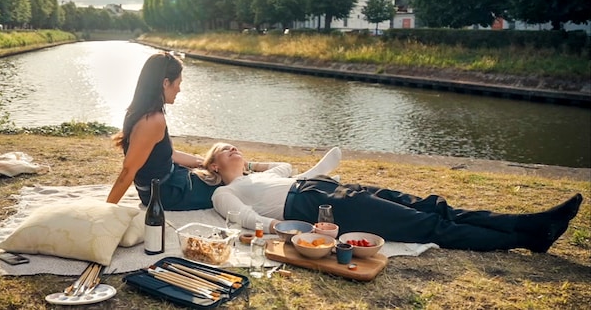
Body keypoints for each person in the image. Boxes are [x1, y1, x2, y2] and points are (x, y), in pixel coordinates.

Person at [196, 142, 583, 253]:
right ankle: (524, 237)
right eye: (223, 151)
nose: (233, 150)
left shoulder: (265, 174)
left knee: (433, 205)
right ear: (212, 166)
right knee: (427, 225)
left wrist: (254, 164)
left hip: (326, 187)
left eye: (235, 147)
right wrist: (287, 230)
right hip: (314, 206)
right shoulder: (225, 193)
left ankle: (527, 224)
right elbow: (247, 220)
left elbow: (281, 164)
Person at [106, 51, 219, 210]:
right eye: (178, 83)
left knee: (221, 173)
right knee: (227, 187)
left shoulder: (139, 111)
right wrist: (106, 210)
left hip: (169, 181)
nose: (179, 89)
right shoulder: (152, 120)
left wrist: (202, 162)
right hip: (167, 193)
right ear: (166, 83)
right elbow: (128, 171)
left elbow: (169, 154)